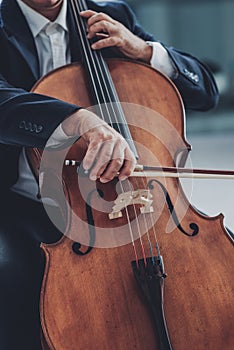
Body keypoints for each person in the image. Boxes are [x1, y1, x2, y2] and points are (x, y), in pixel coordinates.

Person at [0, 0, 218, 349]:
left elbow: (206, 92)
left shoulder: (111, 15)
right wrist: (77, 120)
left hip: (141, 209)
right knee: (8, 278)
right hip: (27, 205)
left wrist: (145, 51)